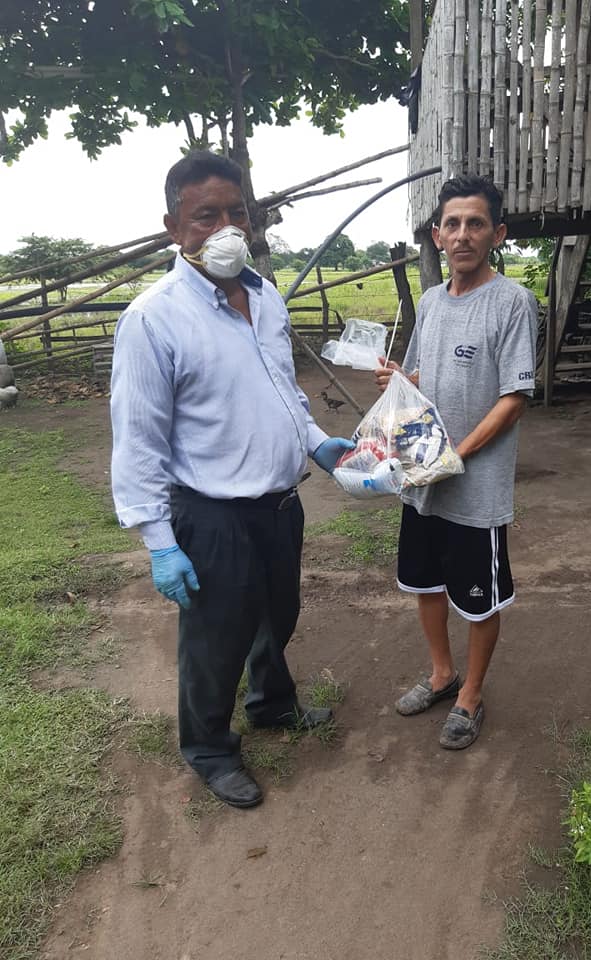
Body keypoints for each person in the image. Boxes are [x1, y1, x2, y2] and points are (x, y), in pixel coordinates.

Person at [111, 151, 354, 808]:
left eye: (236, 213)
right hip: (212, 514)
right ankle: (210, 748)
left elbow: (283, 391)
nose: (224, 229)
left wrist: (317, 442)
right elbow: (137, 440)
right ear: (173, 227)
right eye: (205, 216)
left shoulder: (266, 298)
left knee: (278, 614)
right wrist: (160, 543)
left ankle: (272, 703)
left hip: (279, 504)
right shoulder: (153, 319)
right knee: (215, 639)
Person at [375, 174, 536, 750]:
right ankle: (442, 674)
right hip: (424, 477)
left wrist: (455, 456)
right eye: (452, 224)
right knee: (425, 583)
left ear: (498, 233)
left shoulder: (513, 303)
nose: (462, 234)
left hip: (475, 486)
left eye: (475, 223)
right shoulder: (430, 302)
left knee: (478, 598)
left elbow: (513, 399)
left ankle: (470, 693)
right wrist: (401, 379)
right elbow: (425, 375)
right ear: (437, 235)